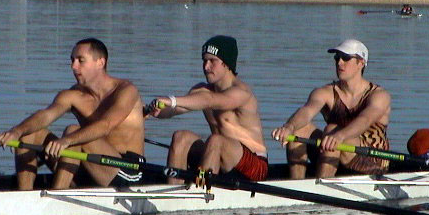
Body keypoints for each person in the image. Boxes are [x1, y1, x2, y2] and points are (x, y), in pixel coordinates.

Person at [0, 38, 145, 190]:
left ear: (100, 62)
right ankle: (24, 196)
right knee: (30, 134)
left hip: (126, 170)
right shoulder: (73, 95)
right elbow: (46, 115)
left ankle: (56, 195)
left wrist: (67, 141)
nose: (74, 66)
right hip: (87, 164)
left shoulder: (126, 90)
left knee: (72, 131)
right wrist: (16, 131)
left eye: (81, 60)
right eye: (72, 60)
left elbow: (105, 126)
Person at [147, 35, 268, 185]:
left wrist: (171, 100)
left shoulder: (241, 93)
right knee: (181, 137)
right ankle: (173, 192)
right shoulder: (201, 90)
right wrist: (157, 111)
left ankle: (202, 192)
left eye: (212, 61)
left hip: (253, 166)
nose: (206, 67)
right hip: (218, 157)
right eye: (204, 61)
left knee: (216, 140)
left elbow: (210, 101)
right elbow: (175, 109)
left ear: (226, 63)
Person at [272, 39, 390, 179]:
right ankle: (296, 185)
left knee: (331, 130)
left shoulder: (379, 95)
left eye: (346, 58)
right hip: (334, 152)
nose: (339, 62)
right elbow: (307, 111)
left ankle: (321, 188)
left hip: (371, 161)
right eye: (337, 57)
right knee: (299, 130)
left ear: (361, 62)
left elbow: (365, 120)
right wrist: (289, 127)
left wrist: (339, 136)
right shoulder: (325, 92)